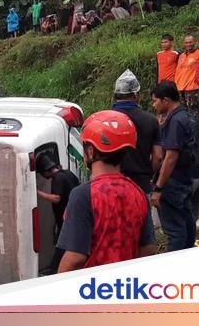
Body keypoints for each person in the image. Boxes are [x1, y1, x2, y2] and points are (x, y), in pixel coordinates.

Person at [57, 110, 156, 272]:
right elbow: (148, 250)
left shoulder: (82, 195)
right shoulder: (138, 193)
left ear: (90, 151)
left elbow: (75, 257)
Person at [151, 81, 197, 252]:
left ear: (166, 100)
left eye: (155, 101)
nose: (154, 105)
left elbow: (170, 157)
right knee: (186, 224)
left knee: (175, 231)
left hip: (172, 183)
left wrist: (158, 188)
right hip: (184, 179)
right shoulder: (184, 116)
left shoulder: (176, 121)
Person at [112, 70, 163, 193]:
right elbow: (158, 156)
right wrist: (147, 173)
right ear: (136, 95)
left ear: (115, 95)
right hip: (141, 183)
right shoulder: (151, 120)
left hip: (112, 184)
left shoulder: (106, 119)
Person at [35, 154, 79, 273]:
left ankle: (54, 272)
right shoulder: (68, 173)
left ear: (46, 171)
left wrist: (37, 192)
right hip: (73, 217)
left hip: (66, 220)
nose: (43, 177)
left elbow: (56, 198)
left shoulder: (57, 178)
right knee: (63, 246)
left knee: (61, 247)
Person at [175, 35, 199, 114]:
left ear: (195, 42)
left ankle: (194, 126)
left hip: (192, 88)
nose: (188, 44)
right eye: (186, 42)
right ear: (184, 44)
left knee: (193, 112)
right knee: (182, 111)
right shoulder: (181, 56)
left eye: (190, 42)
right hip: (180, 88)